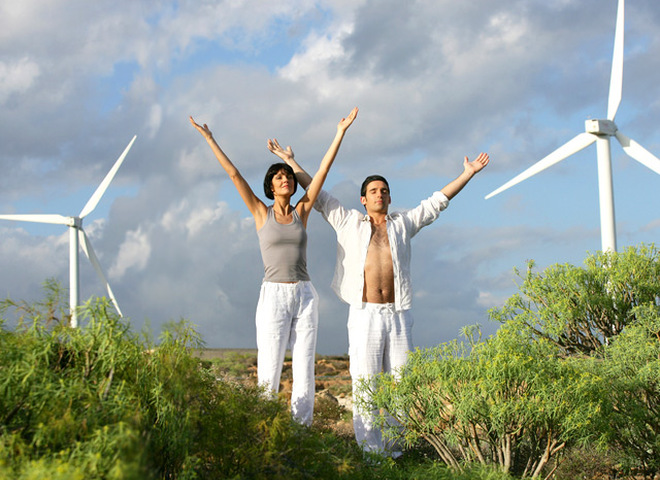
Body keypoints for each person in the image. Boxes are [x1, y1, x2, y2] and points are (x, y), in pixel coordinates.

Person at [269, 138, 489, 454]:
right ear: (363, 198)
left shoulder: (403, 223)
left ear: (389, 197)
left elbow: (436, 202)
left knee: (402, 386)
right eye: (374, 191)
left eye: (384, 190)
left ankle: (396, 451)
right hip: (365, 314)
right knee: (366, 384)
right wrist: (290, 162)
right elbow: (317, 193)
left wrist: (467, 174)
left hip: (398, 314)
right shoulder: (347, 221)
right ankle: (371, 453)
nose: (380, 194)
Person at [190, 107, 358, 426]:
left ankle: (301, 435)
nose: (286, 179)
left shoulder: (302, 211)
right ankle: (264, 429)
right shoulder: (260, 212)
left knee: (304, 368)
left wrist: (340, 133)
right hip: (273, 296)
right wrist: (210, 138)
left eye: (288, 176)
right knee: (269, 368)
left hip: (305, 295)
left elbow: (322, 172)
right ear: (270, 186)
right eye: (279, 176)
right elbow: (234, 175)